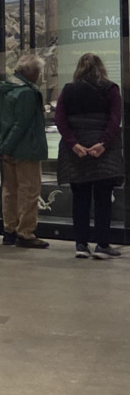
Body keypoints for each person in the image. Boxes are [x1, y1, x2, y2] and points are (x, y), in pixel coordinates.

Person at [54, 52, 124, 261]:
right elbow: (115, 119)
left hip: (76, 151)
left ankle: (81, 244)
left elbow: (60, 119)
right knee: (103, 198)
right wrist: (103, 143)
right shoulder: (111, 89)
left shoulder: (68, 90)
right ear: (101, 68)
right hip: (103, 152)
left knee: (80, 198)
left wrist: (73, 143)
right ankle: (102, 244)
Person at [0, 53, 49, 248]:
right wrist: (6, 147)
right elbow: (21, 124)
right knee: (29, 191)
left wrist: (0, 147)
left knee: (10, 190)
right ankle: (25, 232)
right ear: (32, 72)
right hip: (26, 149)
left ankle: (9, 230)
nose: (39, 76)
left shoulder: (5, 90)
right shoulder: (28, 93)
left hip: (7, 151)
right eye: (39, 71)